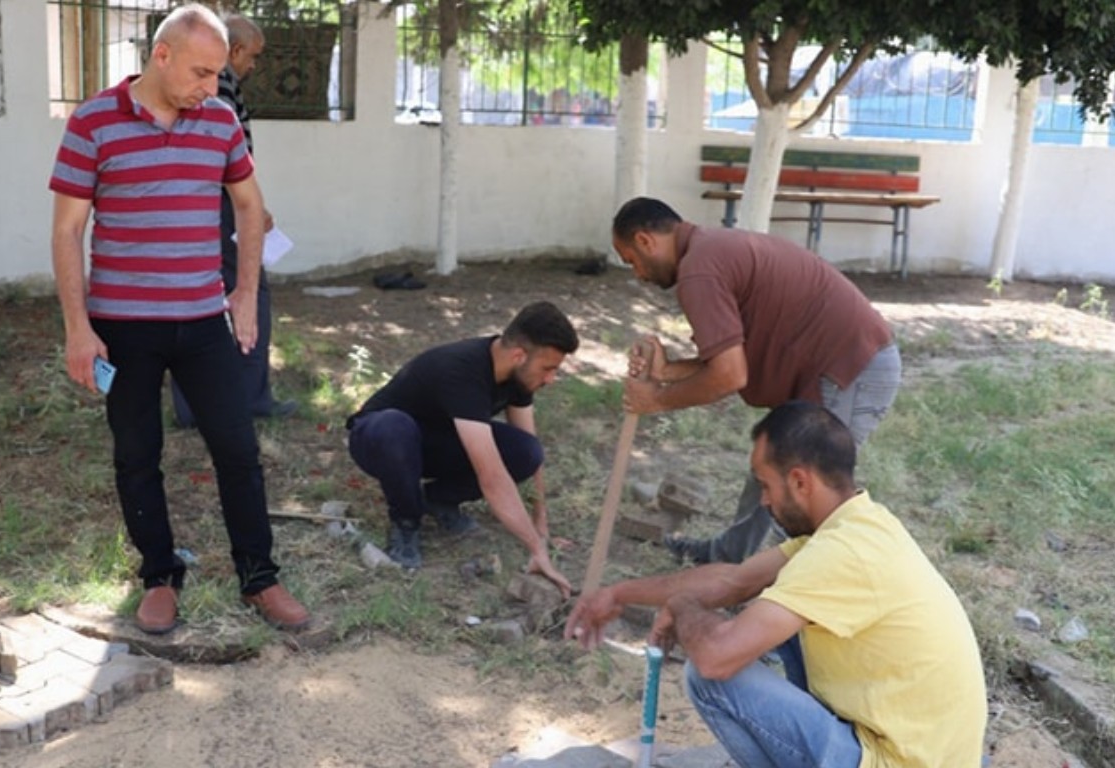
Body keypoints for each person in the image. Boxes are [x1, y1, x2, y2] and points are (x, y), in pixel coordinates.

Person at [49, 4, 310, 635]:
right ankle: (159, 575)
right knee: (137, 454)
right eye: (200, 73)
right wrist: (78, 330)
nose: (210, 88)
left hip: (202, 322)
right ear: (160, 56)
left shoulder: (219, 120)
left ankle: (259, 577)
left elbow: (250, 207)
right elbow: (67, 230)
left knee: (238, 449)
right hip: (123, 326)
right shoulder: (93, 122)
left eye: (218, 75)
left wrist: (245, 292)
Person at [565, 402, 987, 767]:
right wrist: (617, 594)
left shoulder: (840, 555)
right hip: (918, 752)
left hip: (895, 762)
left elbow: (716, 658)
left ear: (800, 481)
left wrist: (681, 609)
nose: (764, 500)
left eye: (766, 485)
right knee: (776, 613)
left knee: (710, 678)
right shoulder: (857, 527)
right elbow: (733, 580)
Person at [610, 197, 901, 565]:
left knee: (802, 492)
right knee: (771, 466)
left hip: (853, 366)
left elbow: (729, 376)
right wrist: (666, 372)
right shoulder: (709, 251)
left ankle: (798, 607)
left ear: (645, 240)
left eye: (631, 260)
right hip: (836, 361)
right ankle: (727, 561)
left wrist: (657, 401)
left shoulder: (699, 271)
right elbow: (729, 357)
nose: (638, 274)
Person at [346, 302, 577, 595]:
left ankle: (435, 500)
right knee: (395, 427)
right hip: (379, 439)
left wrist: (540, 525)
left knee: (527, 452)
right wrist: (535, 549)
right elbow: (492, 478)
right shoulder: (462, 369)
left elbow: (529, 450)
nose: (551, 379)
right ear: (519, 356)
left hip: (433, 443)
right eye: (548, 368)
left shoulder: (518, 376)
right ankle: (405, 521)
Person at [169, 12, 296, 428]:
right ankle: (251, 397)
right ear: (235, 49)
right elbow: (221, 156)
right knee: (249, 289)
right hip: (219, 204)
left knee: (195, 296)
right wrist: (250, 207)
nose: (253, 65)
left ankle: (194, 406)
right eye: (252, 55)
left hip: (199, 204)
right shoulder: (219, 86)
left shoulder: (201, 85)